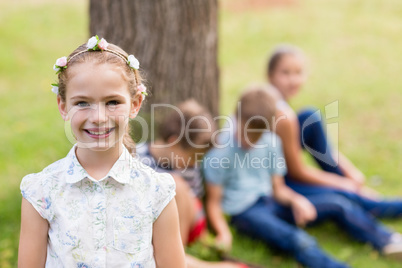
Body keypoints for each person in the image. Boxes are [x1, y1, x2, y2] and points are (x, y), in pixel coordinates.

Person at [18, 36, 186, 267]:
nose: (98, 118)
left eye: (112, 102)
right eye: (82, 103)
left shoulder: (157, 192)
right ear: (63, 106)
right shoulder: (41, 192)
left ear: (135, 104)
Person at [203, 85, 402, 268]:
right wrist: (223, 232)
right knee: (299, 239)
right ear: (236, 117)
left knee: (337, 204)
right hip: (246, 212)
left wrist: (297, 201)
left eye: (256, 136)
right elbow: (213, 202)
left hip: (272, 201)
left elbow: (278, 188)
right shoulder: (219, 152)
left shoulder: (271, 142)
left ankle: (386, 241)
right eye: (246, 132)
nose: (249, 140)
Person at [267, 44, 402, 258]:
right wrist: (344, 184)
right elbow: (297, 172)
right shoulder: (282, 116)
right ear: (270, 75)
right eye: (285, 73)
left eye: (298, 73)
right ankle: (385, 239)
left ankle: (366, 198)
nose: (293, 80)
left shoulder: (276, 103)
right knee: (342, 198)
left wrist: (348, 172)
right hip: (274, 187)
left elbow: (323, 149)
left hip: (280, 171)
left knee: (310, 117)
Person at [136, 100, 248, 268]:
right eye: (192, 157)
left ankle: (175, 257)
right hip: (151, 222)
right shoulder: (139, 158)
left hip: (186, 223)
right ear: (173, 142)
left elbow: (193, 200)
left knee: (175, 185)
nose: (194, 164)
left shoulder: (187, 169)